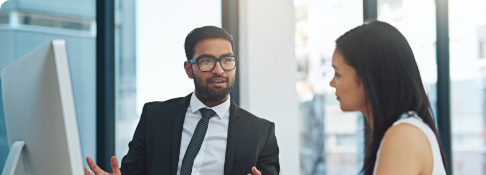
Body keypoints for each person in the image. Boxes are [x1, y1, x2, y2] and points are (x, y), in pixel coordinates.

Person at [84, 26, 280, 175]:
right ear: (189, 69)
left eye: (227, 60)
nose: (219, 70)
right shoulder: (154, 117)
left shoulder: (261, 132)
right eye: (207, 61)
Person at [330, 20, 448, 175]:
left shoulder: (403, 136)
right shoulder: (402, 131)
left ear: (369, 77)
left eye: (338, 74)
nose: (332, 83)